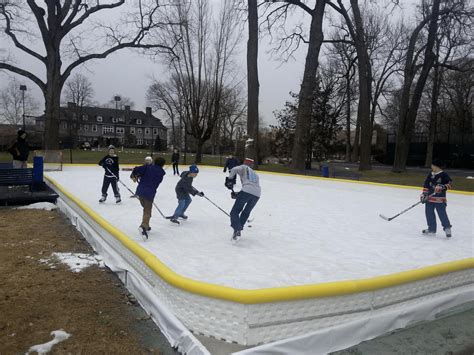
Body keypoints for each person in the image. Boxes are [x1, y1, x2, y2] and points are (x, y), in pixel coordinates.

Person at [225, 158, 261, 242]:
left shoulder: (243, 167)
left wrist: (230, 179)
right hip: (257, 194)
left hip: (246, 191)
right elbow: (251, 188)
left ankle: (237, 229)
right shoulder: (255, 174)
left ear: (245, 163)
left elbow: (234, 169)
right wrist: (238, 194)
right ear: (252, 165)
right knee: (246, 212)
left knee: (234, 212)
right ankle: (238, 230)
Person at [131, 156, 166, 237]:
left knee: (146, 209)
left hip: (140, 192)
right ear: (163, 165)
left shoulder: (147, 167)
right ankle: (143, 226)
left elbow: (136, 169)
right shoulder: (161, 173)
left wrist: (134, 176)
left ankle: (146, 225)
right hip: (149, 193)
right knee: (147, 210)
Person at [420, 158, 452, 238]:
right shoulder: (431, 174)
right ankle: (431, 228)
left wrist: (442, 186)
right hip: (429, 199)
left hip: (440, 200)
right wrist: (424, 194)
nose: (431, 167)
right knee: (429, 213)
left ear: (437, 167)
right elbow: (426, 185)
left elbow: (450, 184)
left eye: (432, 165)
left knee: (442, 214)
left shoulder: (444, 175)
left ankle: (447, 228)